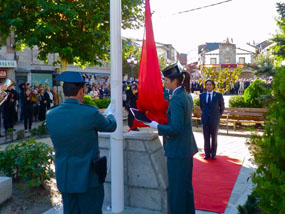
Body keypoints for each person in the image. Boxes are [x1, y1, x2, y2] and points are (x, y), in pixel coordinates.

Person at [46, 71, 117, 214]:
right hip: (88, 177)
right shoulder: (90, 112)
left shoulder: (51, 114)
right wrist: (110, 114)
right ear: (81, 91)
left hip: (65, 176)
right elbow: (110, 126)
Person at [144, 63, 198, 214]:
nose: (164, 82)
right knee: (186, 188)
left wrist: (156, 126)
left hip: (177, 150)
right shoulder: (185, 95)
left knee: (177, 191)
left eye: (166, 80)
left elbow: (176, 129)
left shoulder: (176, 99)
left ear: (175, 81)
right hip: (186, 148)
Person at [199, 79, 224, 160]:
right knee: (206, 137)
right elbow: (201, 107)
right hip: (205, 119)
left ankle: (213, 154)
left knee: (214, 137)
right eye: (207, 84)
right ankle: (207, 153)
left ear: (213, 86)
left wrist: (217, 116)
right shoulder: (202, 95)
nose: (208, 86)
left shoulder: (218, 95)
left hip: (214, 119)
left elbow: (222, 107)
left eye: (210, 84)